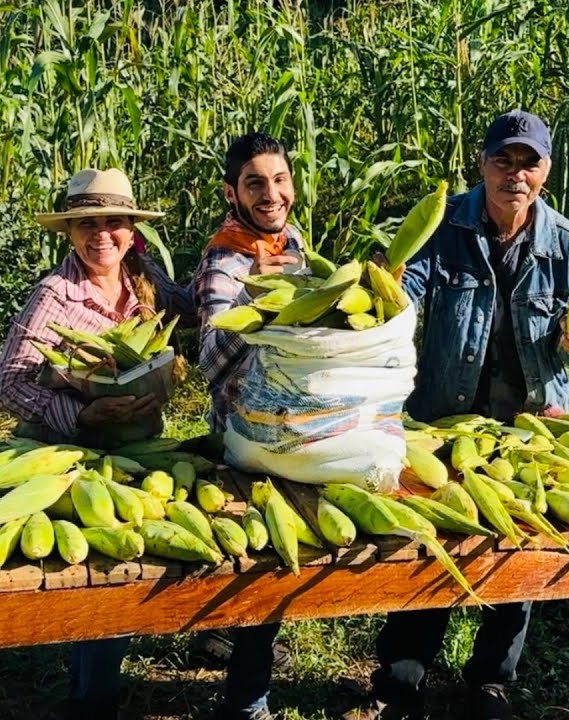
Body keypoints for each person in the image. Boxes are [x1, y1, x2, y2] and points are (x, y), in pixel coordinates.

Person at [345, 110, 569, 720]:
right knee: (429, 537)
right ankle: (402, 678)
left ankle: (491, 681)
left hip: (531, 422)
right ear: (482, 164)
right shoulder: (445, 227)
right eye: (502, 160)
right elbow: (407, 297)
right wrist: (389, 284)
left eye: (528, 163)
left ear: (546, 169)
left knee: (520, 543)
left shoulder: (567, 244)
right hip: (443, 415)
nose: (515, 174)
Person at [0, 168, 193, 719]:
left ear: (132, 230)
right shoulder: (55, 295)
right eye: (87, 224)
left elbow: (192, 308)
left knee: (129, 561)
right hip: (67, 454)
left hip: (134, 446)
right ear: (69, 232)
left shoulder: (144, 278)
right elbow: (9, 380)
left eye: (113, 222)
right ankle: (92, 700)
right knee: (102, 577)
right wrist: (81, 414)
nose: (101, 235)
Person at [192, 131, 305, 720]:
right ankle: (248, 702)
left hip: (290, 426)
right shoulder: (226, 259)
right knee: (262, 559)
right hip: (243, 436)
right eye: (255, 183)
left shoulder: (293, 244)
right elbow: (211, 361)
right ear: (231, 193)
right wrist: (258, 304)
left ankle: (221, 638)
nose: (271, 194)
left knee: (264, 560)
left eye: (279, 180)